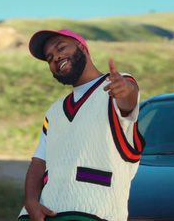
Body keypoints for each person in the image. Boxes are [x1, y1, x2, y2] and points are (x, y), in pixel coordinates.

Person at [17, 29, 145, 221]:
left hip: (93, 212)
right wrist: (31, 202)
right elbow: (39, 161)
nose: (55, 57)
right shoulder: (55, 110)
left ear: (83, 48)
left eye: (61, 47)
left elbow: (128, 99)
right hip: (44, 211)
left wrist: (124, 90)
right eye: (49, 57)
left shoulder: (114, 86)